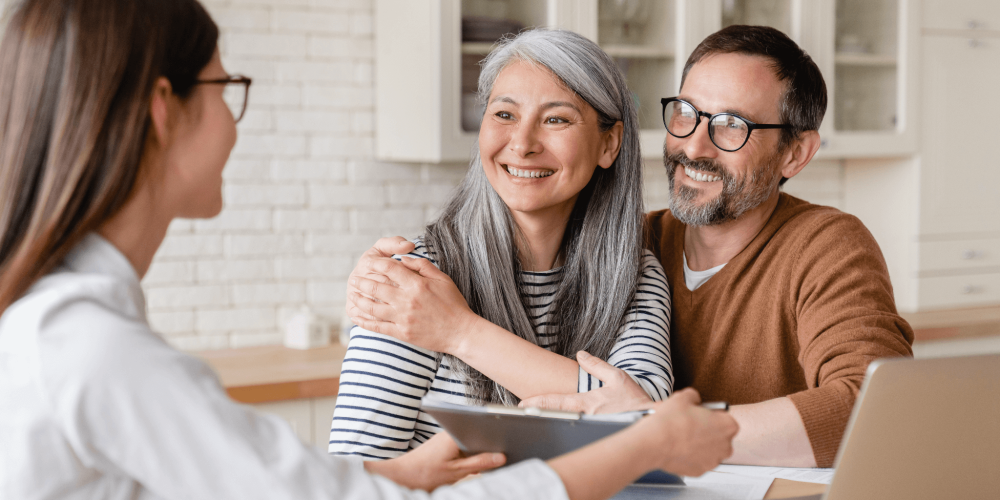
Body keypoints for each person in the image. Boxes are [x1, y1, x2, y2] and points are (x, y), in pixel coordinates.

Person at [0, 1, 738, 499]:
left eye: (556, 118)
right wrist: (647, 441)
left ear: (610, 141)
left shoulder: (72, 334)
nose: (234, 121)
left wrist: (403, 473)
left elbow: (326, 486)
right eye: (227, 87)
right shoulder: (91, 349)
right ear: (164, 112)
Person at [347, 25, 914, 469]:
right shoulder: (639, 245)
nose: (696, 146)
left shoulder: (638, 264)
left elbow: (875, 410)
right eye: (687, 115)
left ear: (795, 154)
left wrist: (657, 426)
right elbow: (352, 470)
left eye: (732, 125)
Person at [331, 29, 673, 459]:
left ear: (609, 143)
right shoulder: (416, 283)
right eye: (505, 115)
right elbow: (353, 475)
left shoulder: (634, 273)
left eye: (556, 119)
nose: (523, 144)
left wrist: (459, 332)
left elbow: (646, 417)